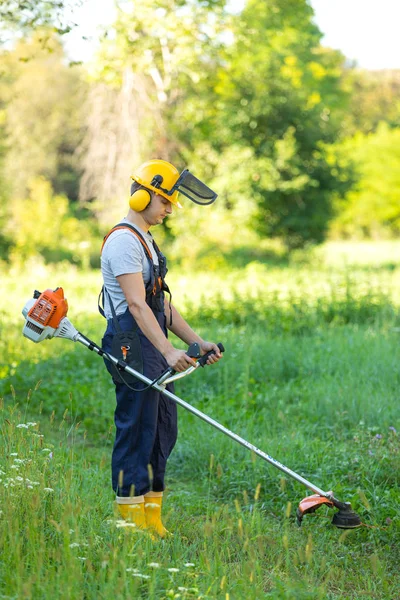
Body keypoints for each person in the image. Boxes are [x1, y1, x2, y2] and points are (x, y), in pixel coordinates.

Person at [100, 159, 222, 538]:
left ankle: (152, 518)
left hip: (151, 341)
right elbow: (136, 306)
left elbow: (160, 305)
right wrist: (169, 352)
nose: (169, 209)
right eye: (165, 201)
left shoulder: (147, 242)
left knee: (161, 429)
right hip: (132, 345)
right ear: (142, 195)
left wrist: (194, 341)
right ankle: (128, 521)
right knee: (137, 429)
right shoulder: (123, 242)